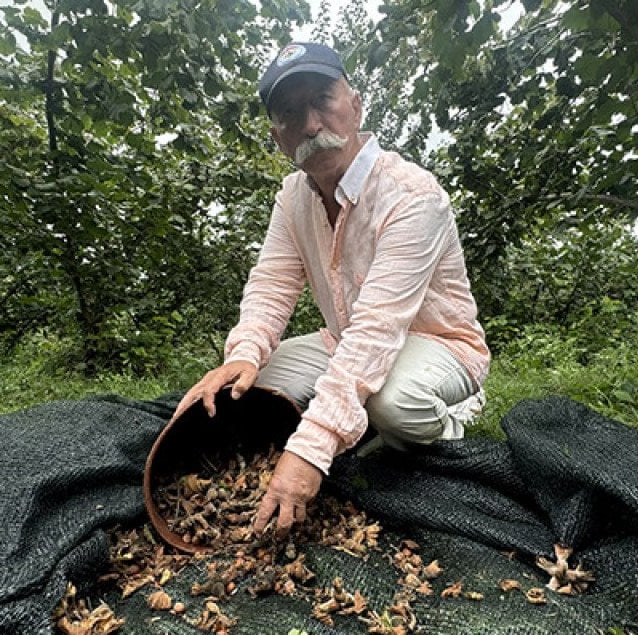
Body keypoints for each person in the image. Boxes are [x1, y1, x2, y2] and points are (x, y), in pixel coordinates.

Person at [175, 42, 490, 534]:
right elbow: (272, 284)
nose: (312, 124)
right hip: (346, 340)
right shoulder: (292, 199)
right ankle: (350, 411)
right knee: (248, 387)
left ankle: (448, 418)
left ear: (356, 103)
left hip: (439, 344)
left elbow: (378, 331)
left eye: (323, 99)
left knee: (394, 404)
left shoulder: (412, 196)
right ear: (278, 135)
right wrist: (243, 354)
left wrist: (310, 450)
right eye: (290, 112)